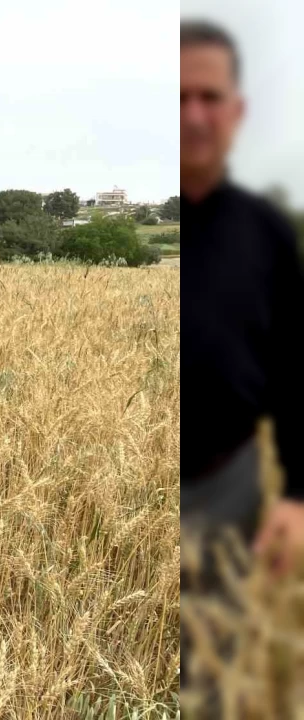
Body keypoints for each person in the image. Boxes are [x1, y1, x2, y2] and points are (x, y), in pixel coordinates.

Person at [179, 17, 303, 695]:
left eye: (209, 97)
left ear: (237, 111)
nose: (194, 115)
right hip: (131, 480)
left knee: (213, 667)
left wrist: (299, 494)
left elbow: (293, 366)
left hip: (229, 478)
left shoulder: (265, 231)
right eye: (178, 98)